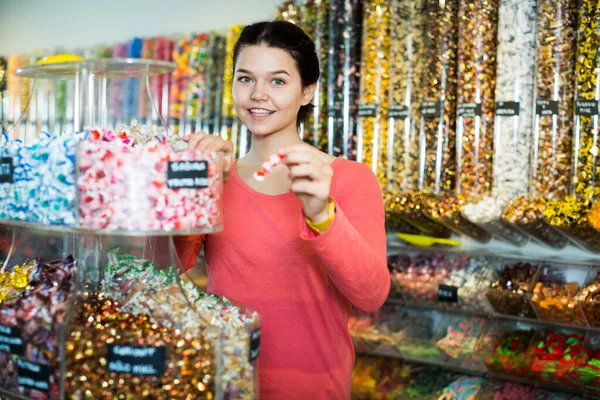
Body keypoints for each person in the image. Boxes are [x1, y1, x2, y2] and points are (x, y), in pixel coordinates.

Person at [177, 20, 389, 399]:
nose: (258, 95)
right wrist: (197, 189)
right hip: (224, 383)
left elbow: (371, 294)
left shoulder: (348, 179)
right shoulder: (217, 177)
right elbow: (167, 272)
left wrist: (321, 213)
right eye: (245, 79)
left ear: (307, 91)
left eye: (277, 81)